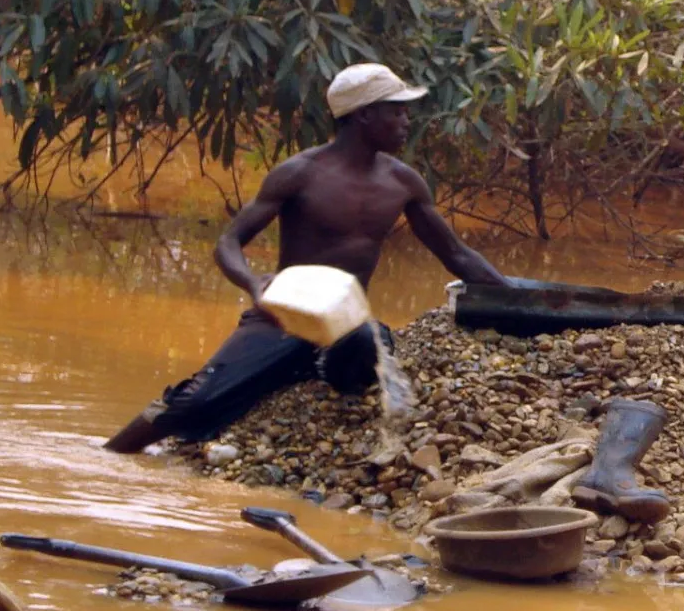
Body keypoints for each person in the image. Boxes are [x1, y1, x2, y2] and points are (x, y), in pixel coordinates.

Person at [104, 63, 511, 454]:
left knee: (369, 339)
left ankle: (311, 370)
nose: (408, 121)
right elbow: (228, 242)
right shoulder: (299, 173)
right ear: (365, 115)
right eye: (397, 111)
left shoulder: (402, 182)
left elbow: (456, 253)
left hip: (346, 323)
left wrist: (515, 296)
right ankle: (110, 456)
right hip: (283, 318)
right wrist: (253, 283)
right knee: (194, 402)